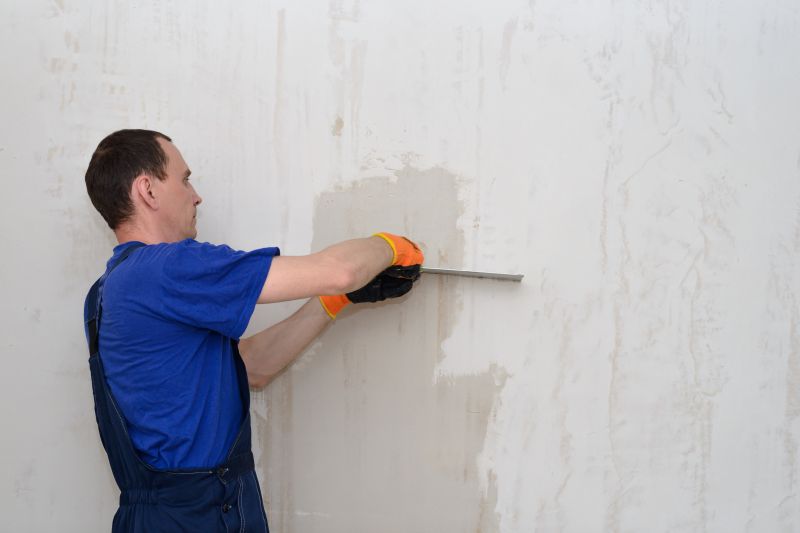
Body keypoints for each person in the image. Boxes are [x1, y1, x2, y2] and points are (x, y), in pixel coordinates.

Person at [82, 129, 423, 532]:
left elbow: (248, 368)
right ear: (148, 190)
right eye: (185, 179)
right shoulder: (168, 268)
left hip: (167, 514)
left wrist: (333, 303)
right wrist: (391, 245)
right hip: (198, 515)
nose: (196, 195)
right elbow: (339, 271)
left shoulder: (108, 291)